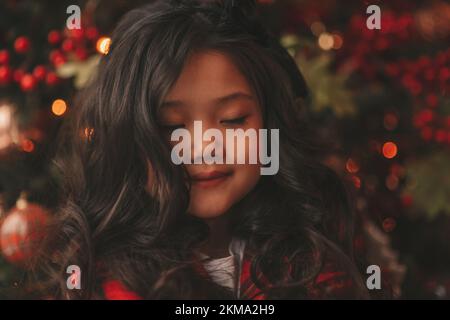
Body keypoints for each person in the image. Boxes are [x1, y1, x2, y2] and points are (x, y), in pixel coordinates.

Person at [36, 0, 369, 299]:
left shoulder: (318, 264)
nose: (206, 146)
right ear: (127, 140)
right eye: (171, 127)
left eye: (233, 119)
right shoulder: (103, 284)